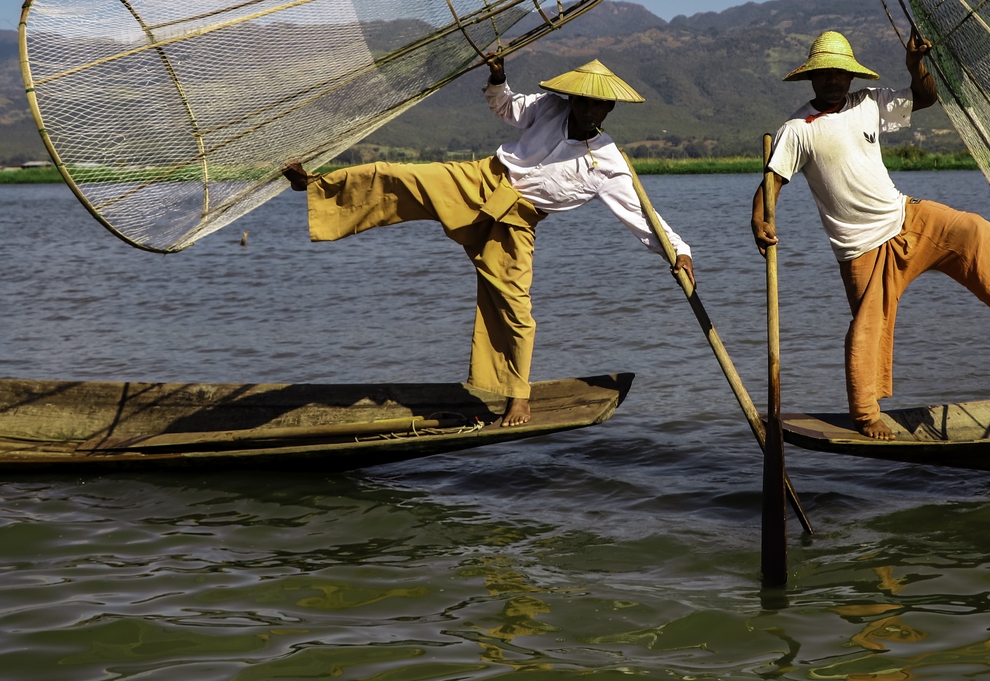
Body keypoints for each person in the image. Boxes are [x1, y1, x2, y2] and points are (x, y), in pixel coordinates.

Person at [285, 56, 693, 428]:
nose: (587, 109)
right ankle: (317, 186)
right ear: (571, 98)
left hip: (516, 222)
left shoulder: (608, 162)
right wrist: (498, 79)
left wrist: (678, 253)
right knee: (400, 176)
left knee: (516, 309)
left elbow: (642, 218)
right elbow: (507, 107)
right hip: (483, 179)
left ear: (609, 109)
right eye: (582, 101)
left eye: (597, 105)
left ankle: (516, 395)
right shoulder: (549, 107)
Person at [751, 29, 990, 440]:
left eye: (840, 74)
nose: (833, 80)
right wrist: (759, 222)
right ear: (812, 77)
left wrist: (915, 67)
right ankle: (866, 416)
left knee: (970, 230)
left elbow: (925, 98)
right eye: (825, 74)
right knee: (869, 327)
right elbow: (771, 186)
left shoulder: (868, 103)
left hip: (905, 218)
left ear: (851, 77)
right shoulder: (798, 128)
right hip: (860, 247)